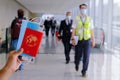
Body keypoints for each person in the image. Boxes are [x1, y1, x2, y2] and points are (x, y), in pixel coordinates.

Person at [71, 4, 95, 77]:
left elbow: (91, 30)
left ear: (86, 9)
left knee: (86, 56)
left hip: (87, 40)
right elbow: (74, 29)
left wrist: (93, 39)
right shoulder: (76, 18)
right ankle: (77, 63)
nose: (83, 9)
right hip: (79, 40)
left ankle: (84, 71)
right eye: (82, 8)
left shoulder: (90, 19)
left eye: (84, 8)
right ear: (80, 9)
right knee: (78, 55)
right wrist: (72, 38)